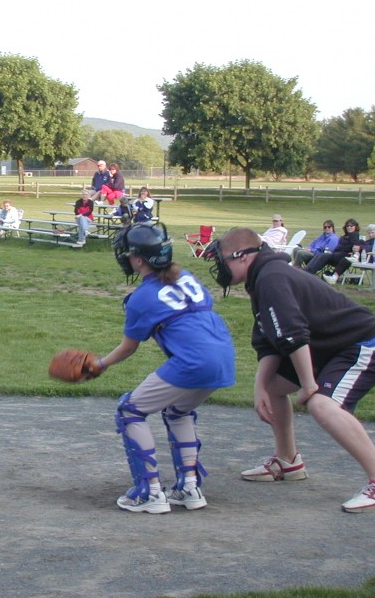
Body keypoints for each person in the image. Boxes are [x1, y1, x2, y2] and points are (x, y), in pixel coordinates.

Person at [203, 227, 375, 513]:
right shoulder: (261, 278)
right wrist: (261, 386)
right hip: (331, 347)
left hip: (362, 343)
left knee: (321, 404)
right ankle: (288, 461)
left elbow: (294, 336)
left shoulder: (272, 278)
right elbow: (270, 343)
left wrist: (308, 386)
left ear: (244, 257)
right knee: (274, 387)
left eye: (223, 260)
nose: (219, 267)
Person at [96, 222, 235, 514]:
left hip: (193, 360)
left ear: (137, 259)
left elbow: (129, 347)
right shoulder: (186, 277)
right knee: (178, 411)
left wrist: (100, 364)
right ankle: (189, 486)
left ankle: (149, 492)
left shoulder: (142, 297)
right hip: (223, 354)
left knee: (130, 410)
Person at [304, 218, 364, 284]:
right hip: (337, 254)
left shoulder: (354, 235)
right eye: (347, 226)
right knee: (320, 255)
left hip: (343, 256)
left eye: (351, 226)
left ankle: (308, 274)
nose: (349, 227)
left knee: (323, 256)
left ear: (356, 227)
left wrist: (356, 250)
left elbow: (355, 245)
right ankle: (306, 272)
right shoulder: (345, 236)